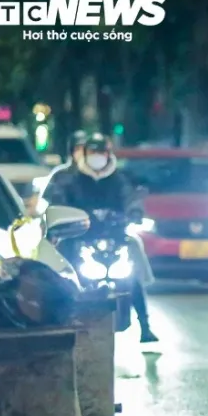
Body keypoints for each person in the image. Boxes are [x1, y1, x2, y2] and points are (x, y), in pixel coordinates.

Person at [45, 133, 159, 343]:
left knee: (133, 268)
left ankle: (145, 325)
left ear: (108, 154)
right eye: (92, 152)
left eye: (101, 152)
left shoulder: (120, 178)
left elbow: (132, 198)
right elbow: (56, 200)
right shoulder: (69, 178)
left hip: (115, 237)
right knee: (61, 267)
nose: (97, 156)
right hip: (78, 236)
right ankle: (58, 319)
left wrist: (132, 213)